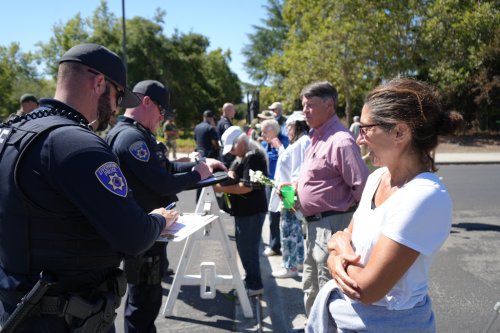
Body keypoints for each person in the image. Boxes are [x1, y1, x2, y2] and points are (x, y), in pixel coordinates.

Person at [0, 43, 179, 332]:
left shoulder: (11, 132)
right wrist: (159, 220)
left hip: (16, 311)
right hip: (65, 317)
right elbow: (133, 236)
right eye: (118, 96)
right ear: (99, 83)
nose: (117, 109)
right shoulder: (77, 144)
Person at [306, 78, 464, 332]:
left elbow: (366, 289)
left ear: (400, 132)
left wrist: (335, 258)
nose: (359, 139)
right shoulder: (378, 177)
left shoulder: (424, 196)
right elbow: (344, 236)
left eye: (366, 129)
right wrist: (339, 251)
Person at [105, 79, 225, 333]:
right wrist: (197, 175)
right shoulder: (131, 138)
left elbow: (164, 168)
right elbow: (162, 183)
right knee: (143, 305)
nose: (162, 117)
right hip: (143, 233)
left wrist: (198, 167)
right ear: (146, 102)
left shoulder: (134, 133)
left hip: (149, 231)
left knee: (146, 300)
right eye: (161, 110)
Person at [296, 81, 369, 316]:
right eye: (303, 106)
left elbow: (363, 188)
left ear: (329, 105)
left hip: (332, 226)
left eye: (310, 106)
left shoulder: (341, 140)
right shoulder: (317, 137)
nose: (305, 111)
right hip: (315, 226)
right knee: (312, 285)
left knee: (329, 289)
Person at [214, 126, 268, 296]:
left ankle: (254, 284)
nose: (232, 152)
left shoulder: (253, 157)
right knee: (245, 247)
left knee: (248, 249)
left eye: (233, 147)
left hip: (251, 211)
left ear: (242, 141)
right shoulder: (245, 156)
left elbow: (246, 187)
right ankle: (251, 280)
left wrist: (221, 189)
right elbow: (235, 173)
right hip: (247, 211)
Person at [270, 111, 311, 279]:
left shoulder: (303, 142)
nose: (287, 130)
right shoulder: (300, 141)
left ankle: (290, 266)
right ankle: (297, 262)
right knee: (293, 229)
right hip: (288, 191)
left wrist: (292, 196)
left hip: (290, 192)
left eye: (289, 127)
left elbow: (299, 170)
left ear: (296, 126)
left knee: (288, 230)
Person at [260, 118, 289, 257]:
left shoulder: (284, 141)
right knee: (272, 215)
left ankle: (291, 250)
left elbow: (288, 160)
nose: (262, 134)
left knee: (289, 215)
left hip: (285, 185)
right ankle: (274, 245)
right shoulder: (266, 143)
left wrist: (279, 148)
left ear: (273, 131)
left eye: (265, 131)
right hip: (270, 183)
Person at [217, 103, 236, 167]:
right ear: (228, 111)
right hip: (228, 154)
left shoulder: (221, 121)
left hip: (224, 152)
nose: (234, 112)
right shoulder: (225, 123)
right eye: (233, 110)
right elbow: (230, 137)